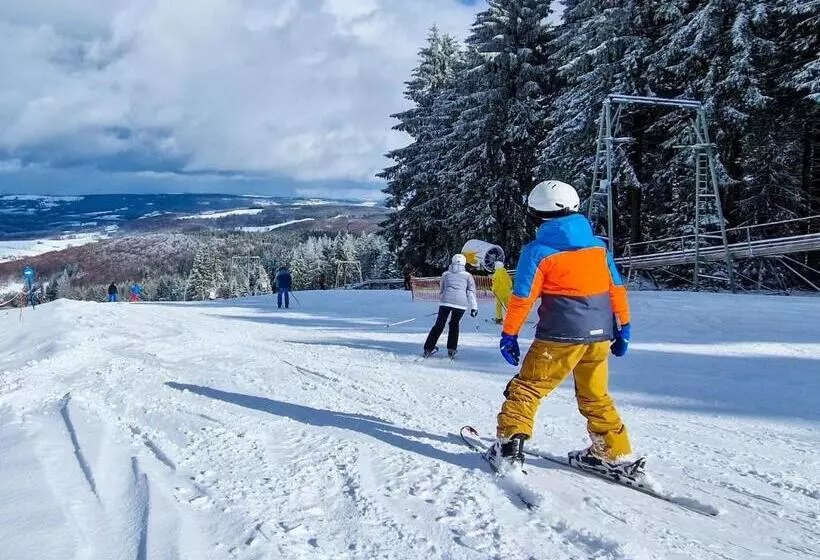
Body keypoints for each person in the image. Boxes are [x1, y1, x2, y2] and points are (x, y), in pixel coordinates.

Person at [487, 180, 637, 480]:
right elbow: (616, 289)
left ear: (535, 214)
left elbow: (522, 298)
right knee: (596, 395)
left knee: (528, 387)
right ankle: (613, 451)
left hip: (558, 336)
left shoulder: (538, 251)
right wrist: (624, 326)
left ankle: (508, 446)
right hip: (599, 335)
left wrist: (509, 334)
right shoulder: (598, 247)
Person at [422, 254, 478, 359]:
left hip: (445, 302)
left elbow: (442, 289)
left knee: (439, 324)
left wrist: (445, 299)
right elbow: (471, 292)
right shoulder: (468, 276)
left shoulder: (445, 274)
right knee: (454, 324)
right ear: (464, 263)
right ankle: (451, 349)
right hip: (461, 304)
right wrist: (474, 307)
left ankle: (428, 348)